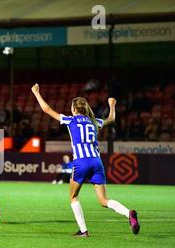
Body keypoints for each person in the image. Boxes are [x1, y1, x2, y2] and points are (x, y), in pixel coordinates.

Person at [31, 83, 140, 237]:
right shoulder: (94, 121)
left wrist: (36, 93)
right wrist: (112, 105)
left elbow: (47, 109)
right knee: (103, 201)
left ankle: (83, 231)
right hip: (96, 162)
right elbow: (111, 119)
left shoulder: (71, 120)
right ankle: (128, 213)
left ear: (75, 109)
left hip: (81, 163)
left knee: (73, 197)